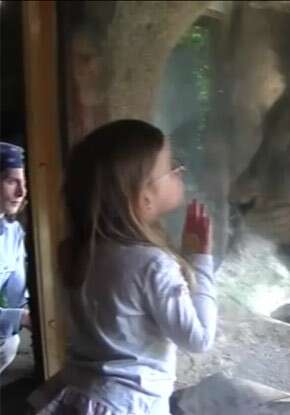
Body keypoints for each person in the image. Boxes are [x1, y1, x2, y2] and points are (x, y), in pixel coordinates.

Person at [27, 120, 217, 414]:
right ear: (144, 197)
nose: (180, 172)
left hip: (79, 394)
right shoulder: (152, 264)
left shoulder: (77, 250)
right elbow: (198, 339)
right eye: (172, 167)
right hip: (129, 404)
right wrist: (201, 260)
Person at [0, 141, 30, 374]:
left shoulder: (13, 233)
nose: (21, 193)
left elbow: (16, 293)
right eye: (11, 182)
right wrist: (20, 317)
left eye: (24, 183)